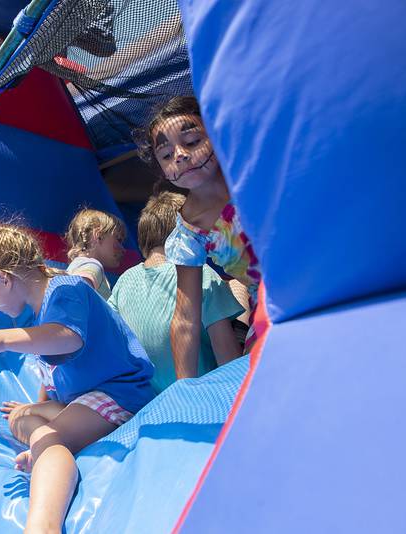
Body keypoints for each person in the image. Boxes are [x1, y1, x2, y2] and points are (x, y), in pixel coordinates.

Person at [0, 222, 154, 534]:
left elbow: (68, 338)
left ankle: (43, 524)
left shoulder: (66, 289)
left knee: (46, 439)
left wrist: (1, 338)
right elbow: (51, 370)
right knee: (18, 416)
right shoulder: (43, 310)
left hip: (117, 394)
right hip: (83, 400)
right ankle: (48, 440)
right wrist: (35, 408)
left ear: (3, 278)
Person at [137, 95, 262, 379]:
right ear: (163, 171)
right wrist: (186, 389)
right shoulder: (188, 234)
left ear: (215, 135)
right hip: (271, 303)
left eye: (192, 142)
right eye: (167, 155)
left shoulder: (254, 177)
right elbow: (185, 318)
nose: (179, 155)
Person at [107, 192, 243, 392]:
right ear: (184, 233)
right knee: (238, 286)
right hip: (203, 393)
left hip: (155, 402)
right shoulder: (199, 274)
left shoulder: (124, 282)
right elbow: (229, 361)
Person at [64, 208, 127, 299]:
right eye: (118, 239)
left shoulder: (76, 266)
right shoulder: (92, 266)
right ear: (99, 236)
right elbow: (76, 295)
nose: (123, 249)